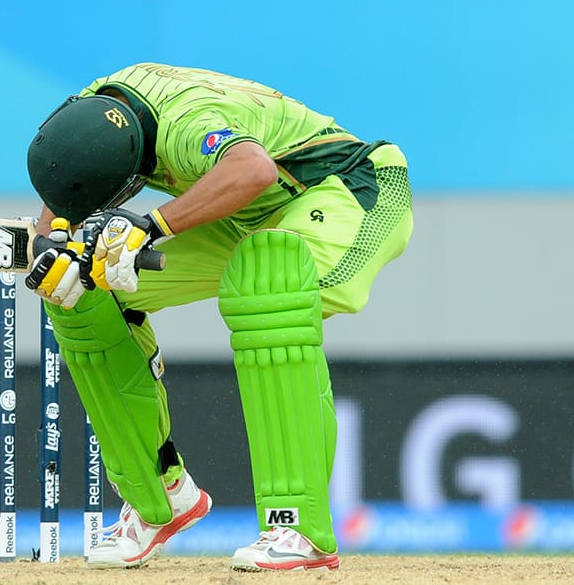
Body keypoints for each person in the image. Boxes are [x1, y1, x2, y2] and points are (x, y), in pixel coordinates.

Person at [24, 63, 413, 571]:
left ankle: (298, 525)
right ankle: (160, 495)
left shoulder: (187, 124)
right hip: (246, 213)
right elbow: (63, 201)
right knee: (85, 291)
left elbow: (254, 170)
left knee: (270, 287)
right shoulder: (96, 109)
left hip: (348, 190)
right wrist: (47, 245)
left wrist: (152, 224)